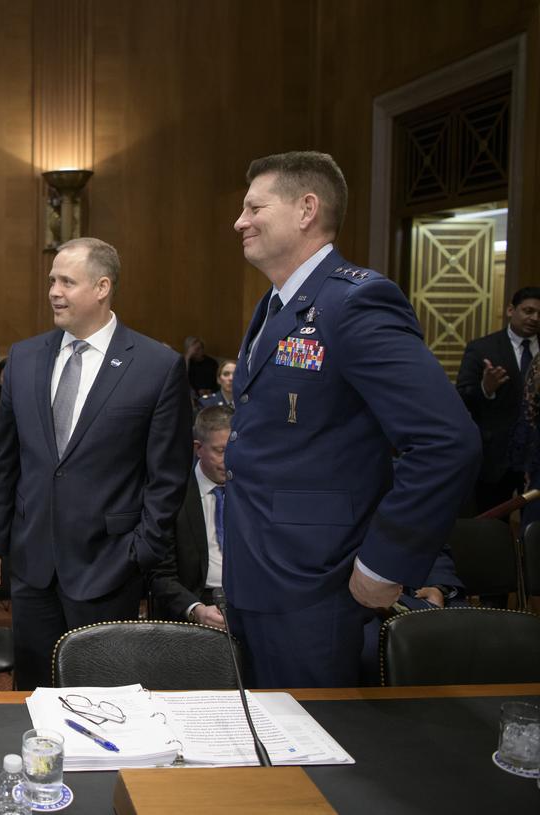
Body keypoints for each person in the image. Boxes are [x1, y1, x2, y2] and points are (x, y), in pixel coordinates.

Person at [225, 150, 478, 688]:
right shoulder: (275, 303)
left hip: (317, 584)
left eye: (253, 207)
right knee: (268, 746)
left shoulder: (356, 302)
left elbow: (446, 442)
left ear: (306, 210)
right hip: (260, 574)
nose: (239, 221)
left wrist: (386, 563)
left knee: (314, 751)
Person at [0, 236, 192, 691]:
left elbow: (167, 477)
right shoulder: (25, 358)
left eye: (67, 282)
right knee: (34, 695)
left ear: (102, 287)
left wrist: (141, 552)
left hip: (109, 566)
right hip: (32, 564)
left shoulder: (157, 365)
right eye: (52, 279)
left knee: (103, 697)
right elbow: (5, 463)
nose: (53, 290)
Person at [455, 287, 540, 515]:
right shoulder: (482, 348)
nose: (534, 318)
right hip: (495, 460)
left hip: (535, 459)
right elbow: (461, 397)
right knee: (490, 527)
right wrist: (486, 388)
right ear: (511, 310)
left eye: (539, 313)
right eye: (528, 311)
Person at [149, 405, 233, 628]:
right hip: (196, 604)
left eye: (235, 449)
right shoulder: (171, 496)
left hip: (249, 602)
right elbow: (159, 574)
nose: (230, 459)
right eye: (221, 451)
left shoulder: (254, 493)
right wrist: (196, 610)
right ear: (198, 448)